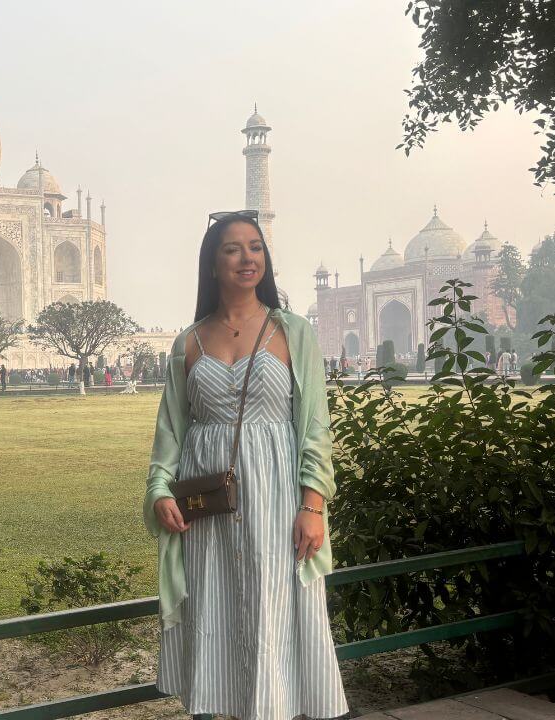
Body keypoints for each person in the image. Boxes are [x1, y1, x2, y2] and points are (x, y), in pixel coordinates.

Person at [143, 210, 348, 719]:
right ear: (212, 263)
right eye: (233, 248)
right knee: (216, 610)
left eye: (255, 247)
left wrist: (313, 505)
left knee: (273, 614)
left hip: (276, 504)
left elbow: (314, 426)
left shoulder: (292, 332)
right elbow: (171, 430)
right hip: (208, 510)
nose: (246, 257)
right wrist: (161, 491)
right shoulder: (188, 343)